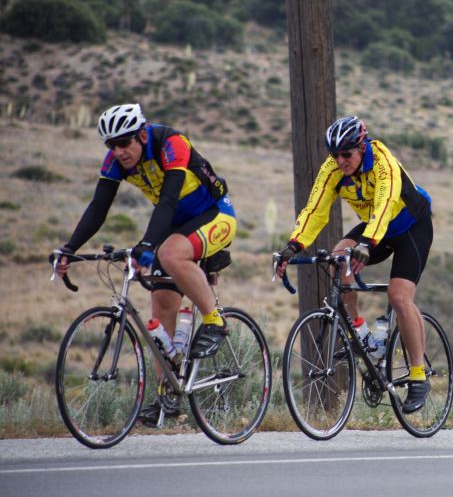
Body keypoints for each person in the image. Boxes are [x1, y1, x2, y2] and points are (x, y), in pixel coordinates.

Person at [53, 103, 236, 425]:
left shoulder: (172, 144)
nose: (119, 152)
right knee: (161, 306)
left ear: (140, 135)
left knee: (168, 254)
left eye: (124, 143)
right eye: (112, 146)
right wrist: (69, 249)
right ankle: (168, 397)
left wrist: (149, 247)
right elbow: (98, 207)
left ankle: (215, 321)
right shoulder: (116, 161)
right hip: (175, 225)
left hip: (213, 215)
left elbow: (168, 201)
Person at [274, 116, 433, 414]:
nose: (340, 161)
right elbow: (315, 209)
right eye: (335, 155)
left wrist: (367, 243)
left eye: (346, 154)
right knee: (338, 258)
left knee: (399, 296)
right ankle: (361, 336)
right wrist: (293, 246)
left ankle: (417, 375)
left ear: (362, 147)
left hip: (410, 226)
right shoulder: (333, 169)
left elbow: (385, 203)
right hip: (375, 228)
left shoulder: (383, 161)